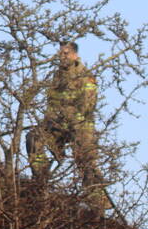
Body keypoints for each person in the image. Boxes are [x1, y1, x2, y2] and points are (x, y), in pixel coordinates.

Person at [26, 41, 106, 209]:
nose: (62, 57)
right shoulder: (57, 76)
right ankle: (40, 180)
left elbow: (87, 106)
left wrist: (70, 120)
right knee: (34, 138)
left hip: (81, 127)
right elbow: (51, 104)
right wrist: (49, 121)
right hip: (58, 125)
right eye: (60, 53)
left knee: (87, 164)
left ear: (75, 55)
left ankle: (97, 205)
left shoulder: (86, 76)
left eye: (66, 53)